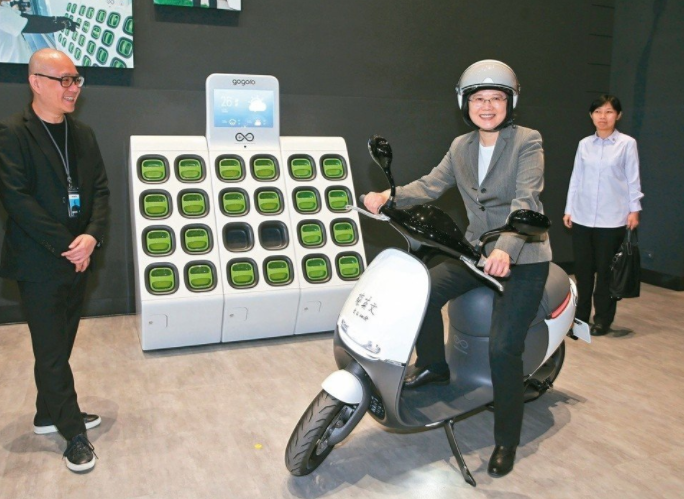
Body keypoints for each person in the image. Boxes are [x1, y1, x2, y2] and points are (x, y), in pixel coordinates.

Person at [363, 60, 551, 478]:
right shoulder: (461, 146)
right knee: (421, 293)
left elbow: (527, 199)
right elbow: (431, 184)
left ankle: (506, 440)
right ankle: (435, 365)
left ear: (510, 102)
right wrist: (388, 197)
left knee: (503, 348)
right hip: (477, 251)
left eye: (496, 98)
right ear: (466, 103)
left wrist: (506, 248)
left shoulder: (527, 141)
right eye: (479, 98)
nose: (487, 106)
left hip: (523, 255)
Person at [0, 48, 109, 472]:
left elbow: (99, 190)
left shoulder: (83, 134)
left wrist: (91, 237)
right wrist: (69, 244)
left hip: (80, 257)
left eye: (76, 79)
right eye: (63, 80)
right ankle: (73, 433)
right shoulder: (13, 133)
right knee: (50, 351)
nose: (73, 88)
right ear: (36, 82)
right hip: (40, 262)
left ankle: (47, 413)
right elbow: (17, 201)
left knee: (60, 344)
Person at [563, 95, 643, 336]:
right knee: (583, 272)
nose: (603, 117)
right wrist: (569, 208)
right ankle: (580, 319)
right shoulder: (584, 144)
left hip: (612, 218)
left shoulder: (627, 144)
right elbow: (576, 177)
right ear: (591, 115)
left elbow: (632, 178)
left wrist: (634, 209)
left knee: (606, 273)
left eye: (609, 112)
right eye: (598, 112)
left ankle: (602, 320)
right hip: (582, 216)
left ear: (618, 115)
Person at [0, 0, 77, 64]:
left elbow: (28, 18)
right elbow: (34, 26)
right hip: (15, 64)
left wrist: (57, 18)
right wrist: (64, 25)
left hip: (23, 58)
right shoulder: (1, 13)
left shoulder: (3, 5)